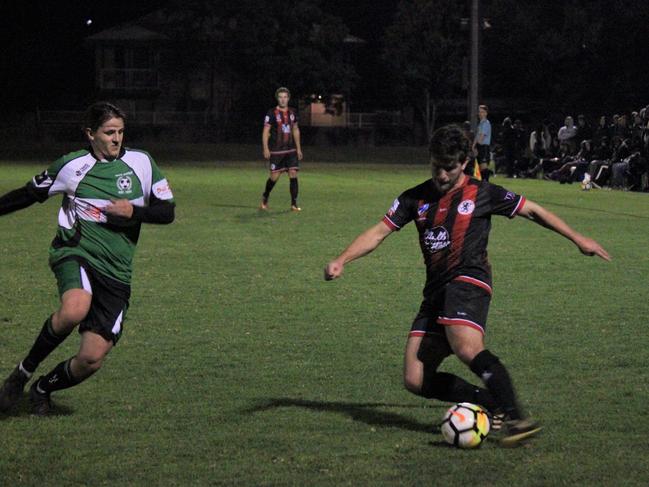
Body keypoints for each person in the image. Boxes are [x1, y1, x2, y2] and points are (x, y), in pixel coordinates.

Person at [324, 124, 610, 446]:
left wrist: (577, 238)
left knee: (466, 346)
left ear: (464, 163)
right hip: (436, 292)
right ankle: (491, 402)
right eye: (436, 167)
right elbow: (378, 232)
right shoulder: (414, 198)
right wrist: (342, 259)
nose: (442, 175)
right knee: (415, 378)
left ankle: (517, 417)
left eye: (449, 168)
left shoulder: (482, 193)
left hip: (468, 281)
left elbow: (532, 209)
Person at [0, 101, 175, 415]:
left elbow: (167, 212)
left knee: (92, 358)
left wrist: (134, 211)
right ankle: (22, 373)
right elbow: (29, 194)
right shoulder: (72, 166)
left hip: (116, 272)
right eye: (109, 132)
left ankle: (43, 387)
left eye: (120, 132)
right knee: (75, 308)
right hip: (75, 253)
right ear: (90, 133)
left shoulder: (142, 163)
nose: (116, 139)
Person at [260, 87, 303, 211]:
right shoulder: (271, 113)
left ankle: (294, 204)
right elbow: (265, 131)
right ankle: (265, 196)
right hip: (277, 151)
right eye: (280, 97)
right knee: (274, 177)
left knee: (293, 173)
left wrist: (299, 148)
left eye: (285, 97)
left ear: (288, 98)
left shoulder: (293, 112)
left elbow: (295, 129)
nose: (283, 100)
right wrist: (265, 148)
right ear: (277, 98)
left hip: (291, 150)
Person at [473, 105, 492, 181]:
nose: (480, 113)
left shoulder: (486, 123)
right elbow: (477, 135)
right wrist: (474, 146)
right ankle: (484, 183)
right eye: (479, 112)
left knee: (483, 167)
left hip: (484, 147)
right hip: (480, 146)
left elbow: (481, 138)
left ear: (486, 113)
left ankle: (486, 184)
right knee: (480, 168)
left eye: (482, 112)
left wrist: (477, 143)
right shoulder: (481, 123)